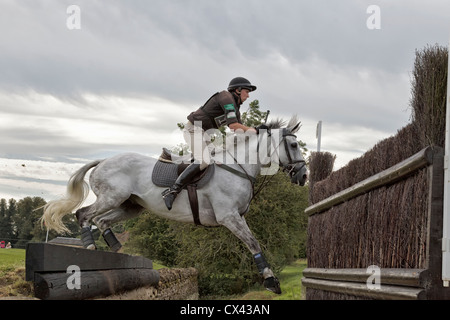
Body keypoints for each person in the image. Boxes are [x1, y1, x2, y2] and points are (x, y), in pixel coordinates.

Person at [162, 77, 258, 210]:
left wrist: (259, 131)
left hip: (205, 134)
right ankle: (172, 191)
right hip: (193, 130)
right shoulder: (226, 98)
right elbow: (233, 126)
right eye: (247, 92)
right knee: (204, 160)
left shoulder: (235, 107)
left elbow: (240, 131)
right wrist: (255, 130)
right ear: (238, 90)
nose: (248, 96)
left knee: (221, 157)